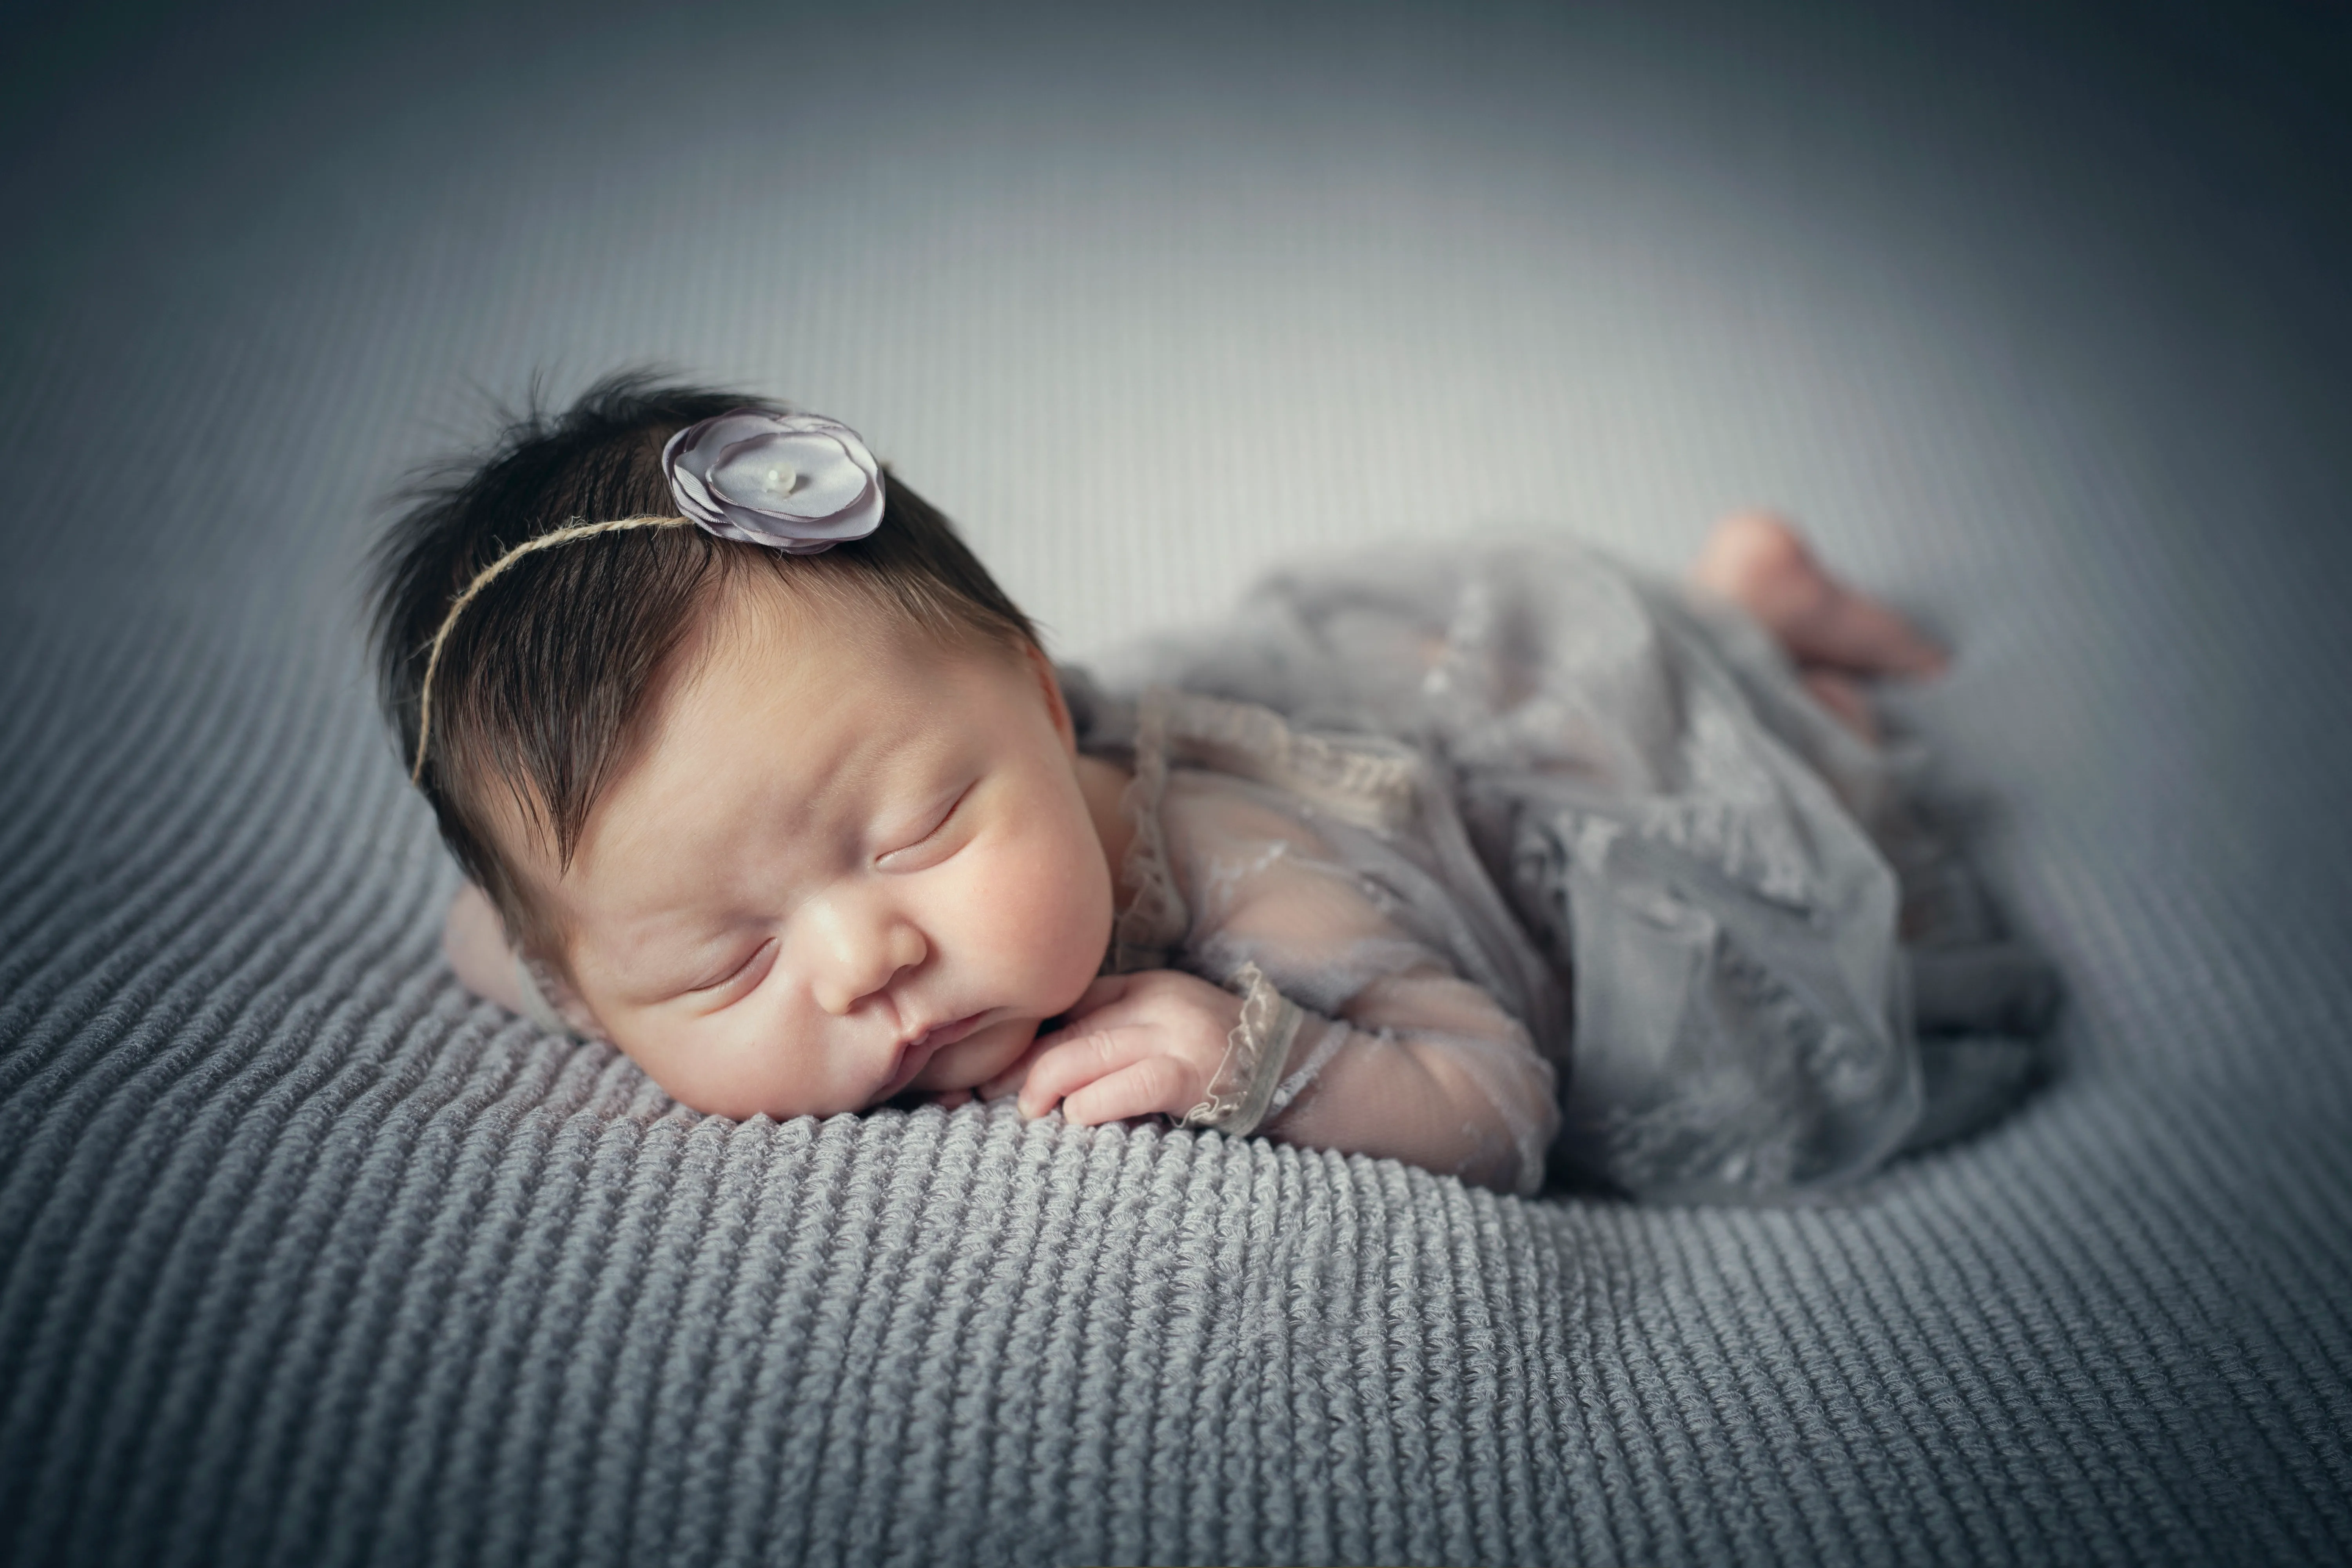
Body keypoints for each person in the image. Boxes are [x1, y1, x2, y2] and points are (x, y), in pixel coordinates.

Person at [369, 372, 2053, 1202]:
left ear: (1039, 696)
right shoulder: (604, 940)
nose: (860, 956)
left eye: (919, 832)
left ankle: (1763, 626)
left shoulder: (1257, 873)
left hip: (1523, 775)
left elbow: (1501, 1094)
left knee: (1807, 802)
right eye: (726, 962)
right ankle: (1745, 602)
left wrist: (1270, 1059)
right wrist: (597, 954)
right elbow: (515, 928)